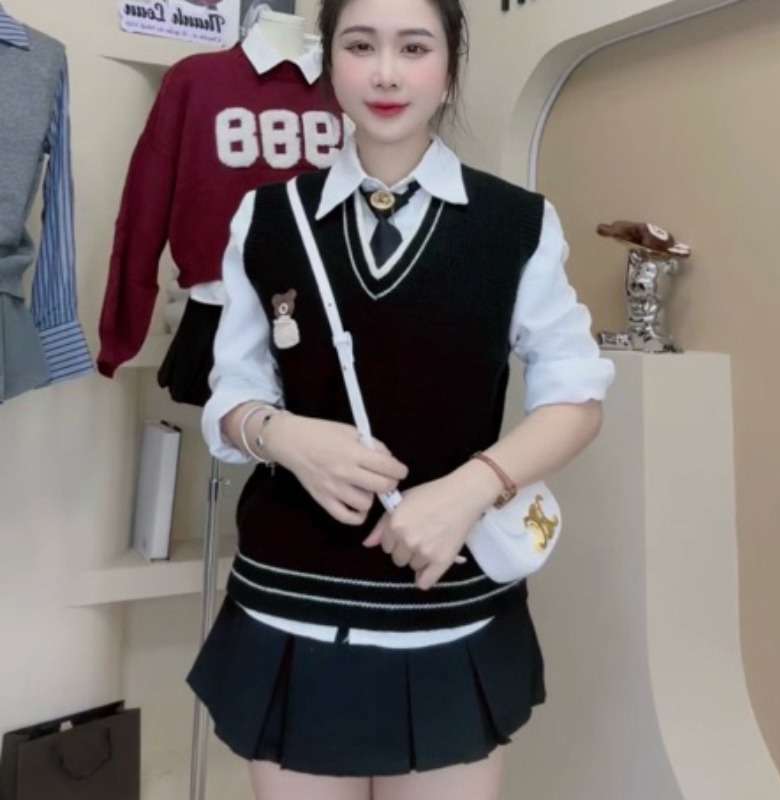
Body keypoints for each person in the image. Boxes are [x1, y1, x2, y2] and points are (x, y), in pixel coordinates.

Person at [188, 0, 615, 798]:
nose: (386, 73)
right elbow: (232, 391)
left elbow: (576, 398)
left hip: (449, 604)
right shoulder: (269, 216)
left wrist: (471, 487)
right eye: (361, 45)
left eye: (414, 48)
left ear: (449, 67)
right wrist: (281, 436)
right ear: (331, 62)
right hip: (290, 602)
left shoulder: (517, 223)